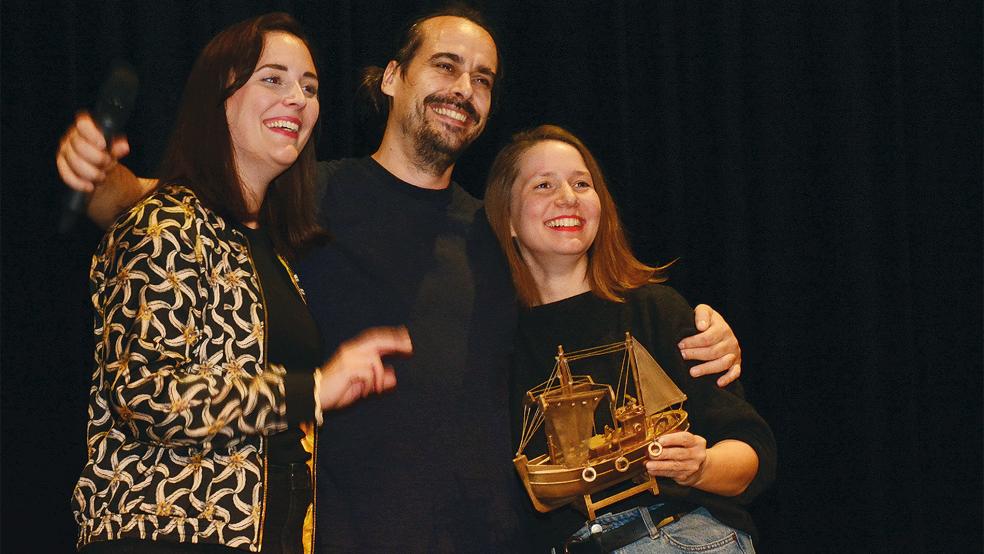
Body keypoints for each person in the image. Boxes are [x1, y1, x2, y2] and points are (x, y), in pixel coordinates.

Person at [57, 8, 744, 550]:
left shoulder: (499, 232)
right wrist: (95, 174)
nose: (465, 90)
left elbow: (591, 308)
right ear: (391, 78)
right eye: (446, 66)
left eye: (483, 79)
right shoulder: (305, 199)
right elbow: (163, 202)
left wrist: (703, 330)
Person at [70, 13, 412, 553]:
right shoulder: (165, 224)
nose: (297, 98)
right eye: (272, 78)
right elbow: (145, 393)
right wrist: (313, 389)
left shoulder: (272, 250)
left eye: (309, 86)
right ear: (219, 98)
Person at [484, 125, 776, 553]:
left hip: (680, 536)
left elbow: (754, 450)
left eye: (581, 183)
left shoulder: (656, 309)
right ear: (506, 217)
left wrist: (701, 466)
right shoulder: (493, 345)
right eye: (543, 184)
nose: (567, 196)